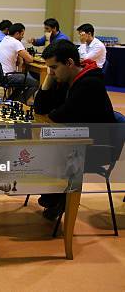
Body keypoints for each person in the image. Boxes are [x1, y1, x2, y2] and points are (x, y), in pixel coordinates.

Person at [34, 40, 115, 219]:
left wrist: (54, 111)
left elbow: (58, 116)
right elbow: (40, 109)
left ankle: (59, 197)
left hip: (98, 148)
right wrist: (49, 78)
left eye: (54, 67)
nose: (52, 72)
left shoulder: (90, 83)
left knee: (42, 153)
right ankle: (53, 196)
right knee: (40, 150)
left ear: (69, 63)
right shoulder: (68, 79)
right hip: (77, 139)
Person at [0, 23, 38, 104]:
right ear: (17, 33)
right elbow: (29, 59)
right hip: (8, 76)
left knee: (24, 81)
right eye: (22, 34)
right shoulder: (16, 42)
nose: (23, 37)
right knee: (35, 83)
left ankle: (11, 101)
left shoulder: (5, 39)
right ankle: (18, 102)